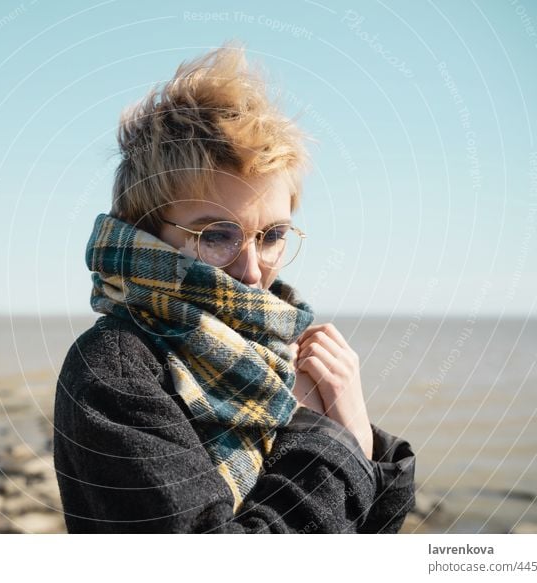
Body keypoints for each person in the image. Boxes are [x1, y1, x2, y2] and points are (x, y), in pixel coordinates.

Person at [53, 41, 416, 533]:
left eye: (272, 236)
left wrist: (361, 437)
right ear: (148, 231)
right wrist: (333, 442)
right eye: (216, 235)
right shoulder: (114, 370)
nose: (250, 271)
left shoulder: (281, 350)